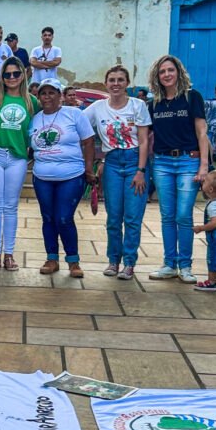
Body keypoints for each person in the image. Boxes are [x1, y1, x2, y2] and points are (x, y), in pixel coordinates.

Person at [147, 54, 209, 283]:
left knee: (183, 215)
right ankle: (169, 264)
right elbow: (144, 135)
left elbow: (202, 132)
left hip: (188, 162)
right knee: (167, 215)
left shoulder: (192, 98)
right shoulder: (153, 104)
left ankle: (186, 266)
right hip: (162, 163)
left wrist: (204, 165)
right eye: (162, 71)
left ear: (179, 72)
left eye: (170, 70)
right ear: (157, 76)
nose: (166, 74)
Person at [85, 66, 151, 280]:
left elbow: (143, 140)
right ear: (106, 83)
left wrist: (141, 170)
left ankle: (129, 263)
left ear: (127, 83)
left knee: (132, 217)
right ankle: (113, 260)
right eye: (112, 79)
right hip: (112, 162)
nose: (116, 84)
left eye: (120, 80)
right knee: (114, 218)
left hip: (134, 162)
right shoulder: (97, 107)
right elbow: (78, 126)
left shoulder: (138, 105)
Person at [30, 78, 96, 278]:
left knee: (64, 218)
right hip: (42, 176)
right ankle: (51, 258)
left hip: (72, 174)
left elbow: (89, 142)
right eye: (43, 93)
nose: (47, 97)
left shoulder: (74, 114)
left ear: (60, 95)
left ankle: (73, 261)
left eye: (52, 92)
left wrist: (89, 169)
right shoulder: (34, 119)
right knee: (48, 217)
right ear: (38, 96)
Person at [0, 56, 39, 272]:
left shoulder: (31, 102)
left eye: (16, 73)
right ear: (2, 77)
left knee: (11, 206)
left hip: (17, 157)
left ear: (23, 75)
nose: (12, 77)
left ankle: (9, 254)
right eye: (8, 74)